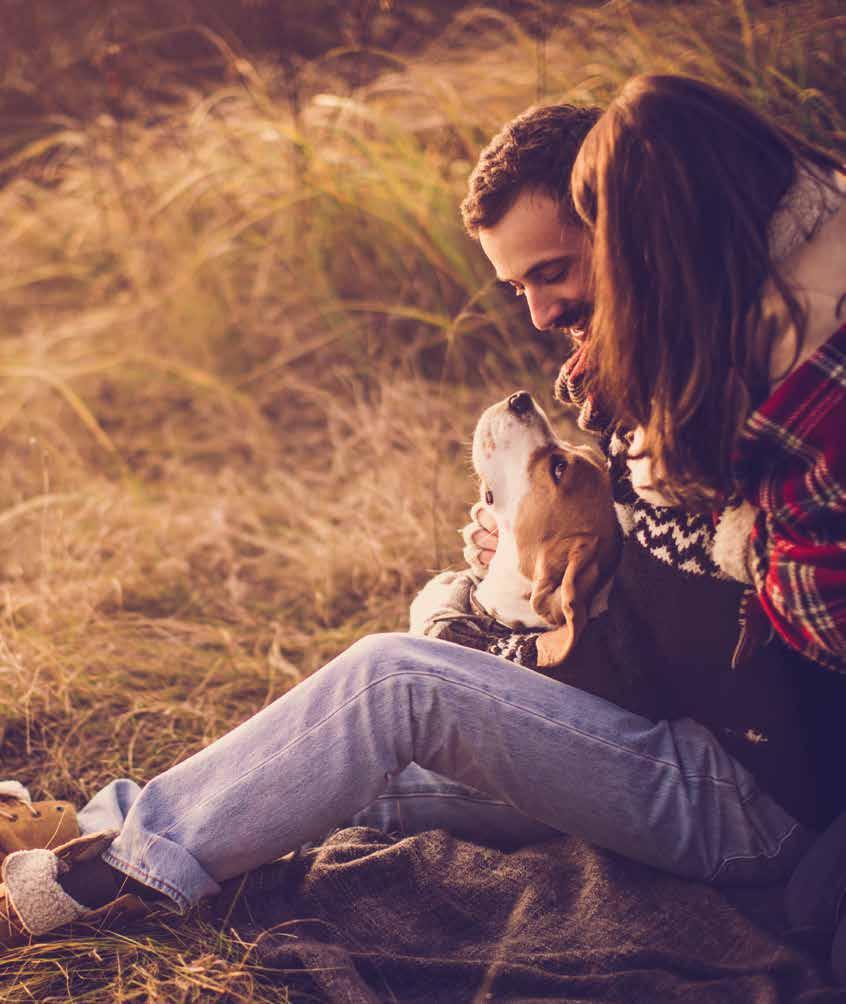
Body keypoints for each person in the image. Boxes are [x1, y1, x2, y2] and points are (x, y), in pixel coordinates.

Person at [1, 76, 841, 962]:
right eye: (518, 286)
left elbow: (749, 611)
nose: (542, 313)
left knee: (394, 684)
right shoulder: (658, 368)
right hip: (668, 743)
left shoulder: (758, 378)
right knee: (322, 764)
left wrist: (605, 554)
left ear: (632, 235)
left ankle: (80, 895)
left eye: (552, 273)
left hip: (752, 799)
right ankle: (86, 835)